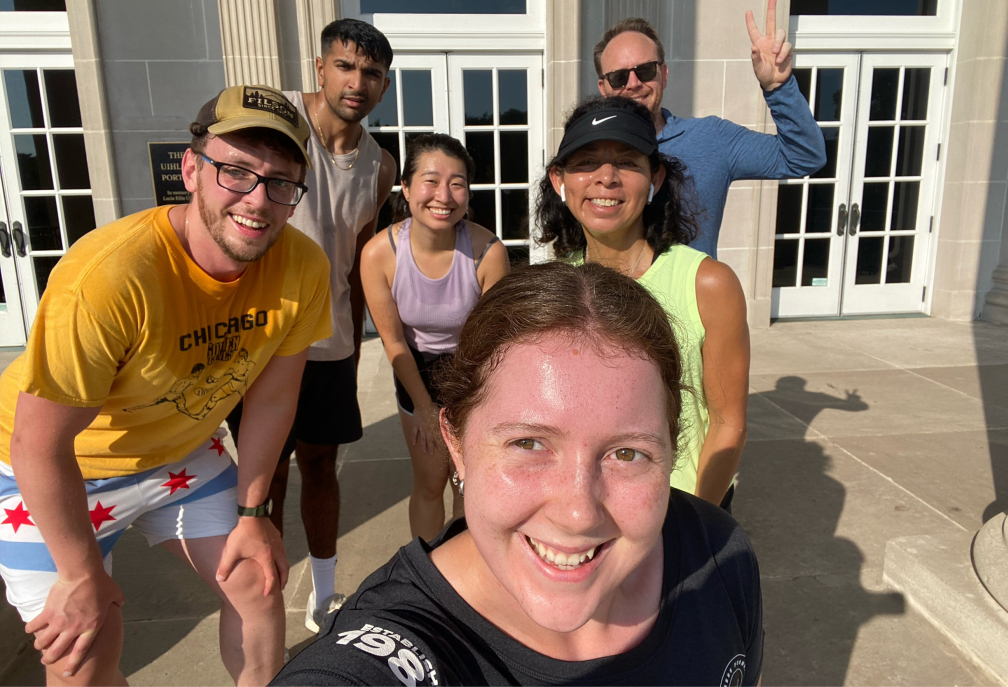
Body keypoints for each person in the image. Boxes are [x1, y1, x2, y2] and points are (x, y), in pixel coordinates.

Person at [271, 262, 763, 686]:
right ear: (457, 445)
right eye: (528, 444)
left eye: (627, 454)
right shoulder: (392, 642)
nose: (577, 513)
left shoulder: (718, 553)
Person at [0, 84, 332, 686]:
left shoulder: (303, 264)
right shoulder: (109, 276)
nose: (258, 200)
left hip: (177, 453)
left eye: (281, 182)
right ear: (192, 170)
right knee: (85, 653)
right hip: (50, 467)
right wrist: (80, 576)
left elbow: (275, 396)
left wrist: (254, 510)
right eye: (236, 172)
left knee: (258, 584)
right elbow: (37, 444)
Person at [223, 18, 397, 634]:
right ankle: (257, 588)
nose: (358, 82)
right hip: (259, 343)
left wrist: (354, 348)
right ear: (320, 68)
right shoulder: (275, 128)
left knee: (320, 464)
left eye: (372, 73)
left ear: (384, 85)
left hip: (329, 342)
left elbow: (358, 265)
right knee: (260, 474)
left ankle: (322, 594)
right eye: (346, 66)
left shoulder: (380, 164)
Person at [537, 95, 749, 510]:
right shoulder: (557, 282)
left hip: (680, 505)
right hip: (588, 505)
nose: (606, 177)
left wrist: (693, 522)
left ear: (655, 178)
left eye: (627, 162)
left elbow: (729, 424)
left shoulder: (707, 283)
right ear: (560, 181)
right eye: (586, 162)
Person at [361, 134, 510, 542]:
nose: (443, 195)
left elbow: (493, 339)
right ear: (407, 189)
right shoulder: (380, 254)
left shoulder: (487, 251)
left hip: (473, 370)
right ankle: (425, 571)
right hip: (415, 369)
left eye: (457, 183)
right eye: (430, 181)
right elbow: (393, 342)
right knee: (430, 481)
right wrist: (425, 409)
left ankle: (468, 567)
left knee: (468, 480)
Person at [594, 0, 826, 258]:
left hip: (691, 296)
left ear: (665, 74)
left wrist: (779, 88)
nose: (634, 83)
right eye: (619, 77)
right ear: (603, 88)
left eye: (646, 70)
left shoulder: (711, 138)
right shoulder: (589, 151)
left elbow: (804, 157)